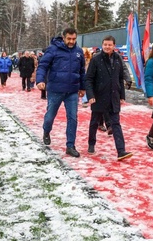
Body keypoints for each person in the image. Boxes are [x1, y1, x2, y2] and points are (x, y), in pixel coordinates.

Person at [36, 27, 86, 158]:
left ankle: (70, 145)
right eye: (69, 39)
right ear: (63, 38)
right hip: (55, 90)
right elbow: (43, 66)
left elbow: (82, 71)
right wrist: (40, 80)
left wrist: (82, 87)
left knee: (73, 118)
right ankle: (46, 131)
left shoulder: (79, 52)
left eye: (74, 39)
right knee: (50, 116)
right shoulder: (53, 49)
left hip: (72, 91)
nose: (71, 41)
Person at [85, 36, 132, 161]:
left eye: (110, 45)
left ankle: (121, 151)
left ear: (114, 46)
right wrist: (90, 95)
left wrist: (122, 95)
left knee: (116, 123)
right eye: (105, 44)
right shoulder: (96, 59)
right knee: (95, 122)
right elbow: (88, 79)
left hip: (113, 97)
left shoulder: (118, 59)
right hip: (98, 96)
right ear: (102, 45)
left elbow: (120, 78)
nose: (107, 47)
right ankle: (91, 143)